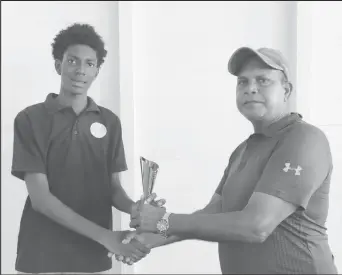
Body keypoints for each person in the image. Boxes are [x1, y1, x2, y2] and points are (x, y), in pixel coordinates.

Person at [130, 47, 339, 274]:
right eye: (242, 82)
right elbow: (212, 214)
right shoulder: (243, 150)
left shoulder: (304, 139)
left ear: (286, 91)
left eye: (263, 80)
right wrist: (150, 237)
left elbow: (256, 226)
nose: (251, 88)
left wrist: (163, 221)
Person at [11, 23, 161, 274]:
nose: (80, 70)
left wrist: (136, 209)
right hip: (41, 255)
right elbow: (41, 200)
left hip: (92, 258)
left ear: (97, 71)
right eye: (73, 61)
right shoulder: (30, 119)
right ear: (58, 65)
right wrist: (107, 236)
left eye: (89, 64)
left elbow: (113, 189)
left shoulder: (110, 122)